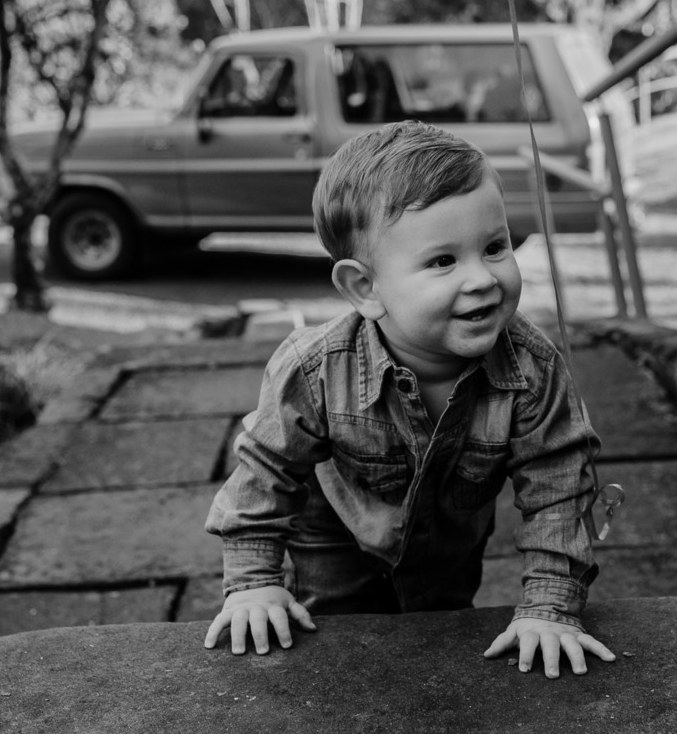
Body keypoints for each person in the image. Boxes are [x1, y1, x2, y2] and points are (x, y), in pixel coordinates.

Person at [203, 121, 615, 679]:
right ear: (365, 288)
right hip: (335, 536)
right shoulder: (316, 369)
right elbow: (263, 471)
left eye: (495, 247)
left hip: (449, 543)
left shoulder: (533, 370)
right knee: (339, 648)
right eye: (443, 261)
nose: (482, 279)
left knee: (441, 643)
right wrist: (253, 584)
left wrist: (549, 608)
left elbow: (559, 487)